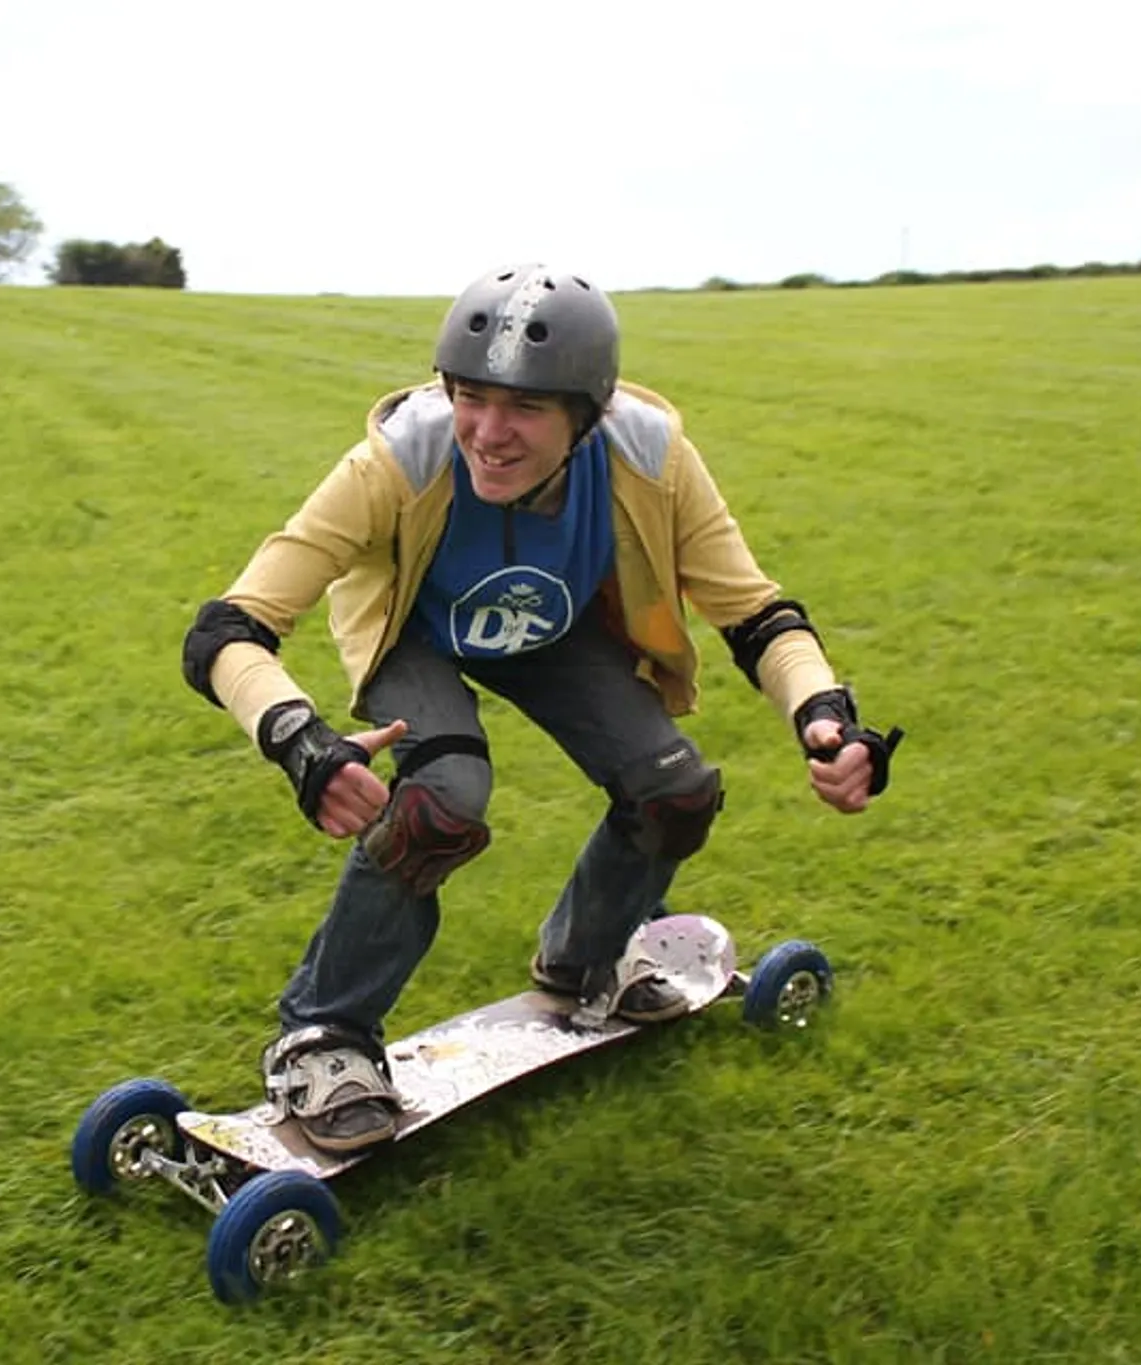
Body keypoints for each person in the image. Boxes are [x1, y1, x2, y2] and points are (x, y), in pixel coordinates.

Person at [180, 264, 901, 1154]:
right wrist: (303, 743)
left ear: (586, 414)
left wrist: (822, 712)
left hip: (551, 631)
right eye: (470, 397)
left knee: (674, 790)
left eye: (524, 408)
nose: (487, 431)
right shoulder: (400, 460)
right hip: (421, 634)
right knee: (442, 801)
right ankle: (324, 1034)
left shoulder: (649, 456)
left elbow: (755, 613)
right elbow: (226, 630)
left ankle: (585, 961)